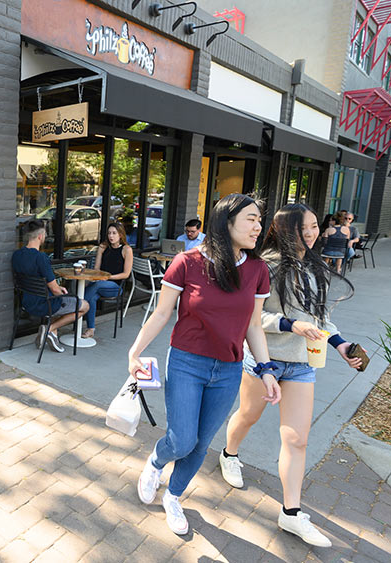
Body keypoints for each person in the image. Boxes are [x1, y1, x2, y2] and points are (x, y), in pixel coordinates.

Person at [126, 193, 278, 536]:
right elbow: (162, 313)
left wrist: (266, 369)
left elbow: (254, 326)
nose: (258, 226)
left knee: (200, 443)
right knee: (181, 440)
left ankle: (174, 496)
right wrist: (134, 352)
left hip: (228, 370)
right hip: (186, 363)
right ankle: (156, 461)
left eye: (259, 219)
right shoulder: (187, 262)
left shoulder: (257, 270)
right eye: (250, 219)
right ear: (227, 222)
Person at [221, 203, 362, 547]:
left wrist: (342, 346)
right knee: (248, 415)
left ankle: (291, 513)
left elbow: (321, 318)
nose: (313, 233)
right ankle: (230, 454)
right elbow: (251, 319)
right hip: (264, 359)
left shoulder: (317, 268)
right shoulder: (263, 266)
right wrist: (289, 324)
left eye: (316, 225)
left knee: (297, 439)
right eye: (306, 227)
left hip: (301, 365)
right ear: (287, 230)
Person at [12, 219, 90, 353]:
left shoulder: (16, 255)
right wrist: (65, 296)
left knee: (60, 299)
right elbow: (54, 289)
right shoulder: (41, 258)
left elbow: (47, 286)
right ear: (40, 236)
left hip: (26, 302)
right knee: (84, 305)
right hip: (44, 304)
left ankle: (53, 333)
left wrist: (59, 291)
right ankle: (50, 329)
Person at [82, 222, 133, 339]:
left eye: (114, 233)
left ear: (120, 235)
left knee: (94, 286)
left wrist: (108, 277)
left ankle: (76, 307)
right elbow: (96, 269)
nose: (111, 236)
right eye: (109, 233)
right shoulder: (103, 247)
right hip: (100, 284)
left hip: (115, 287)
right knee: (92, 297)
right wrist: (99, 276)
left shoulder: (126, 249)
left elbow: (126, 274)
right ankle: (91, 329)